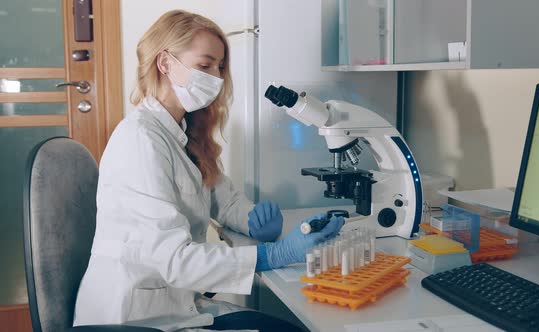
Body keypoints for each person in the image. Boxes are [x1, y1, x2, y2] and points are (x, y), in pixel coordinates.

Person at [73, 9, 344, 332]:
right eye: (205, 65)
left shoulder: (183, 131)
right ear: (165, 63)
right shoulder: (140, 140)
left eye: (220, 67)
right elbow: (176, 261)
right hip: (135, 317)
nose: (215, 77)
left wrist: (254, 220)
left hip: (175, 303)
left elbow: (222, 199)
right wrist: (276, 254)